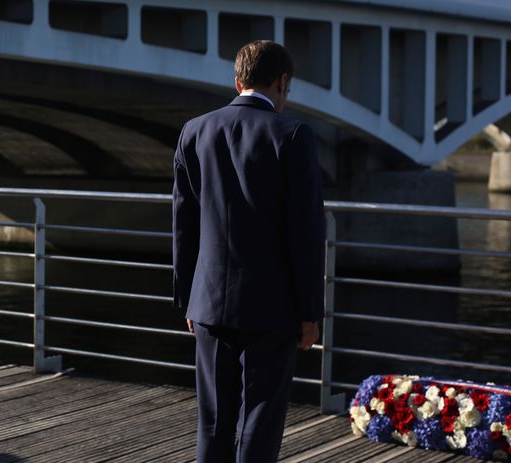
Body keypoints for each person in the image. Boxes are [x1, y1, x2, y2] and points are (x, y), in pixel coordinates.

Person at [172, 40, 326, 463]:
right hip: (272, 307)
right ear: (282, 82)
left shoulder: (194, 130)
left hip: (207, 304)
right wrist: (311, 312)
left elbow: (183, 223)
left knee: (213, 420)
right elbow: (306, 231)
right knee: (260, 416)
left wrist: (188, 297)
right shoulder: (293, 135)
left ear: (237, 81)